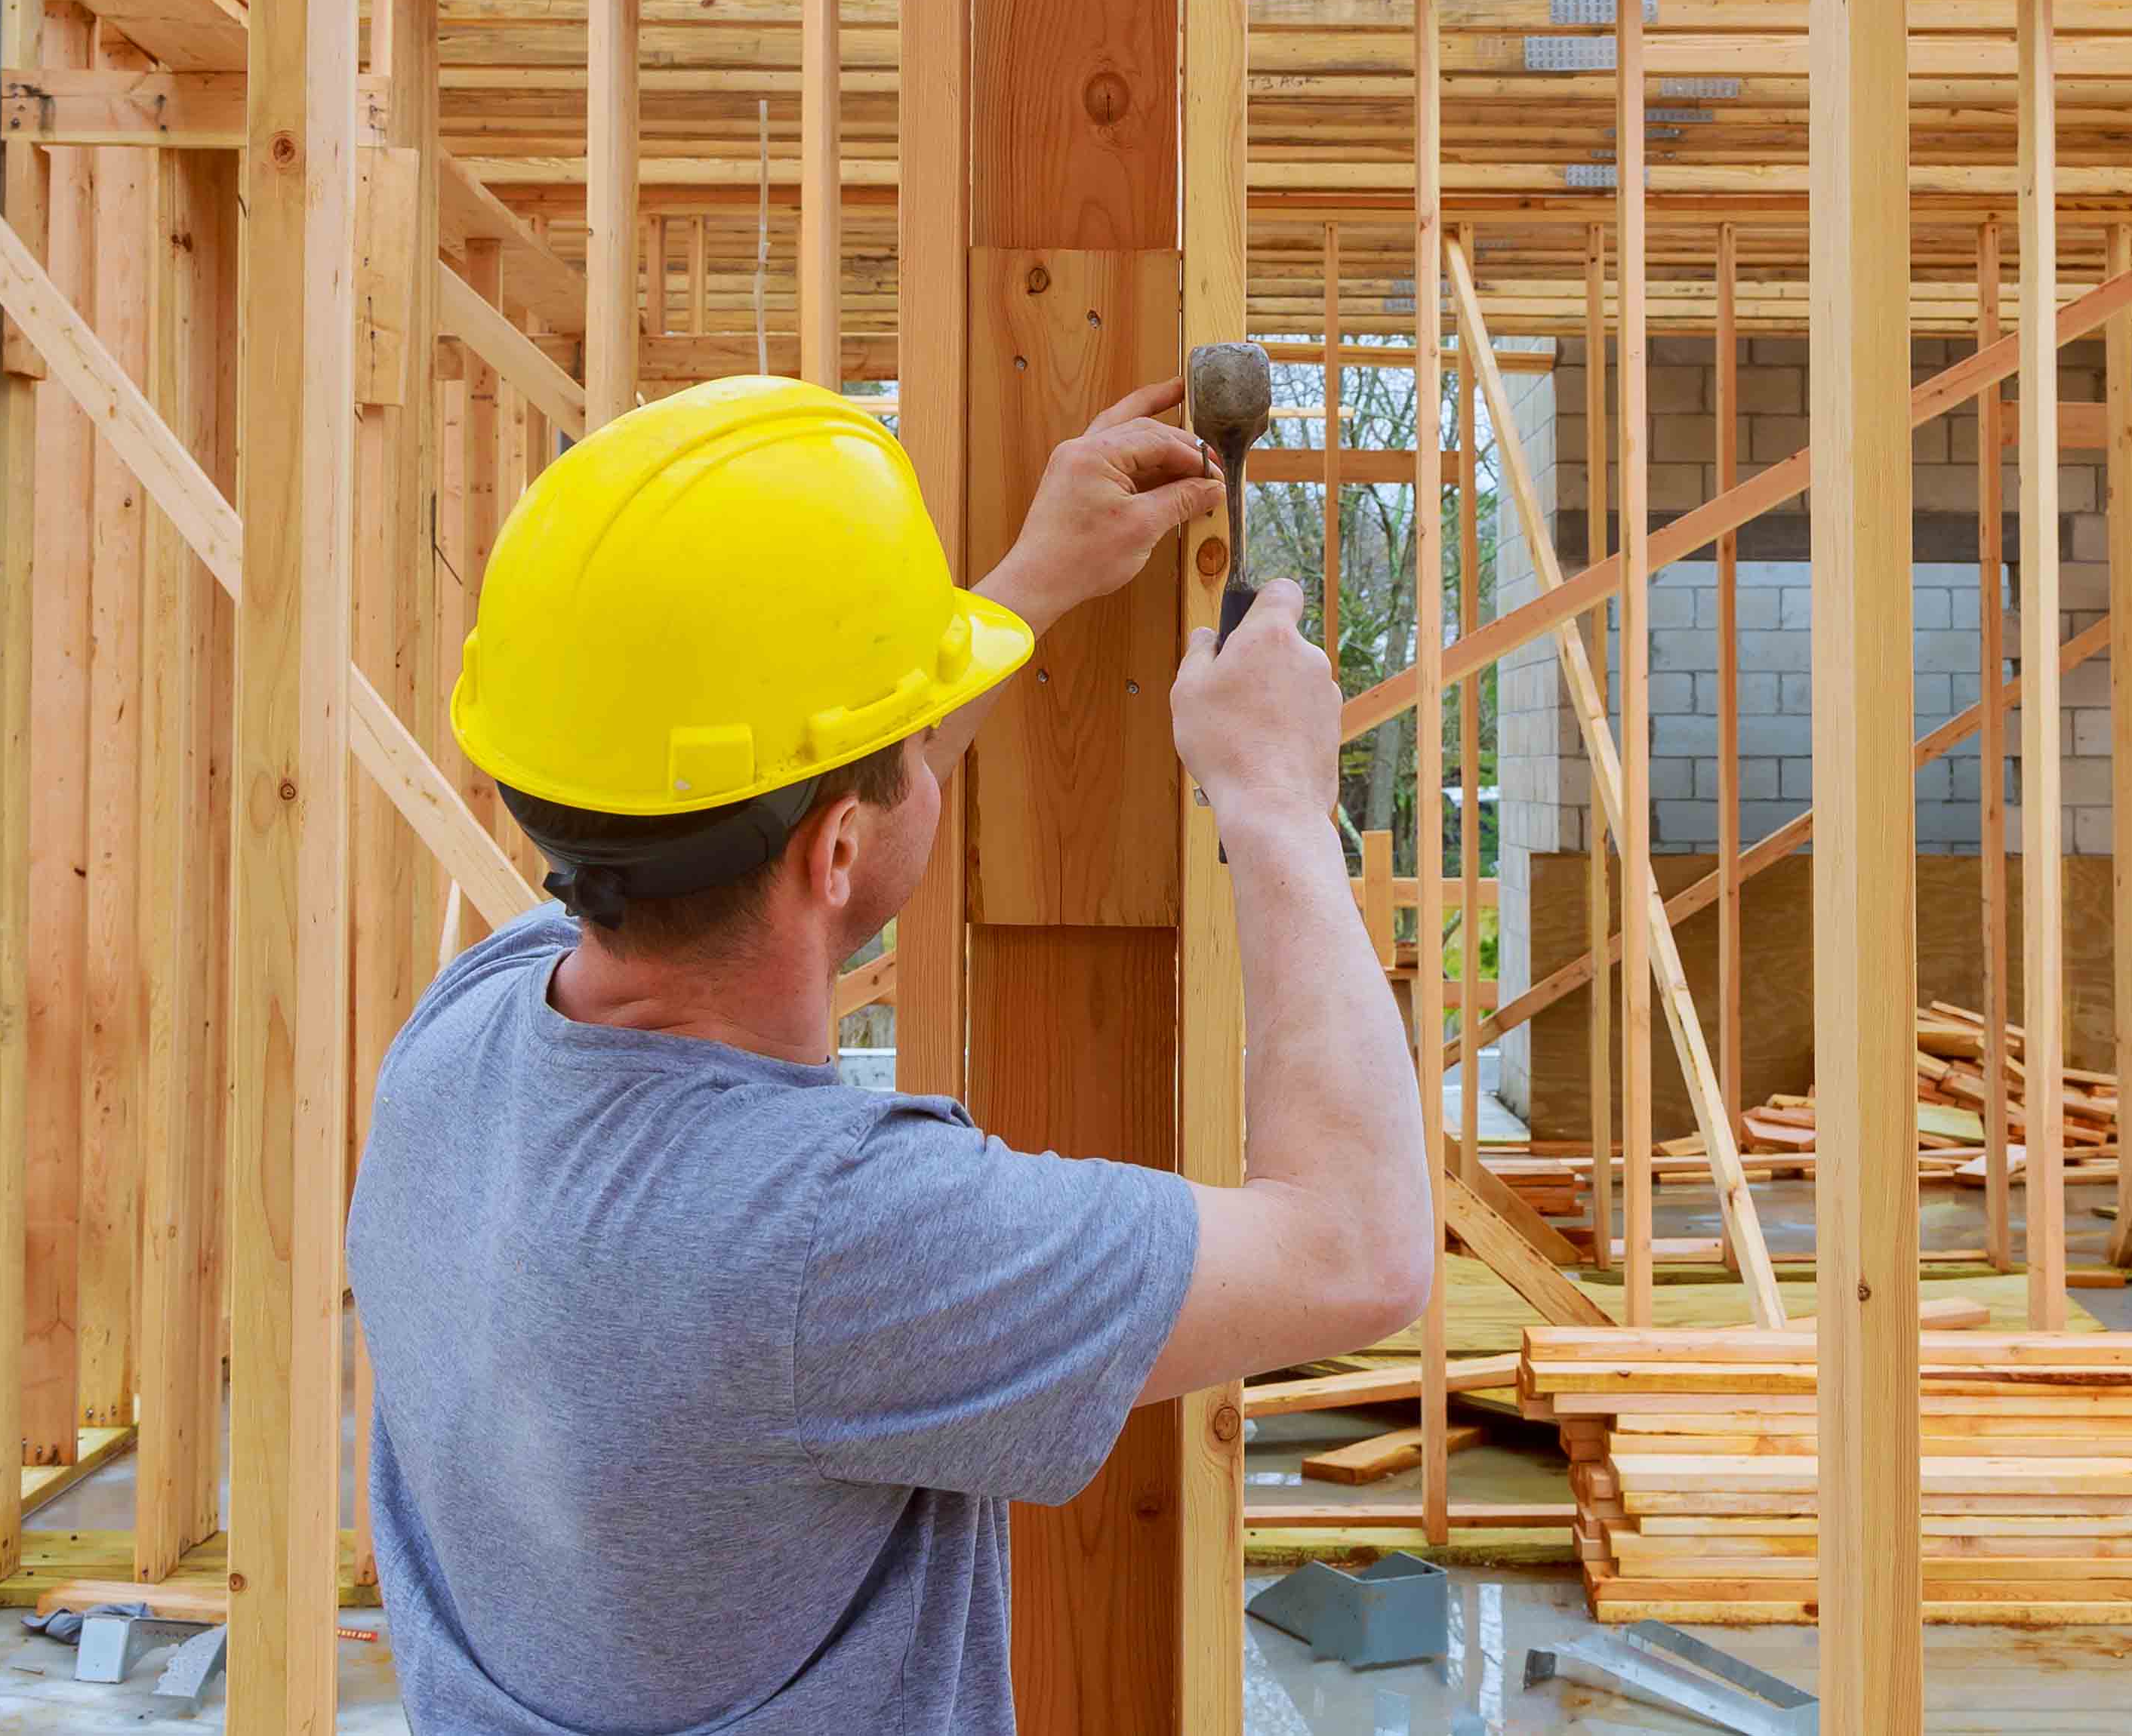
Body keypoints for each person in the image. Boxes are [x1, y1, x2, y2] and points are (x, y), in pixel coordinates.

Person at [348, 373, 1436, 1736]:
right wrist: (1275, 803)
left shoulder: (459, 1037)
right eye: (914, 739)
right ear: (840, 844)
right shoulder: (832, 1241)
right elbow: (1360, 1246)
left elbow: (790, 827)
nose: (930, 753)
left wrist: (1027, 586)